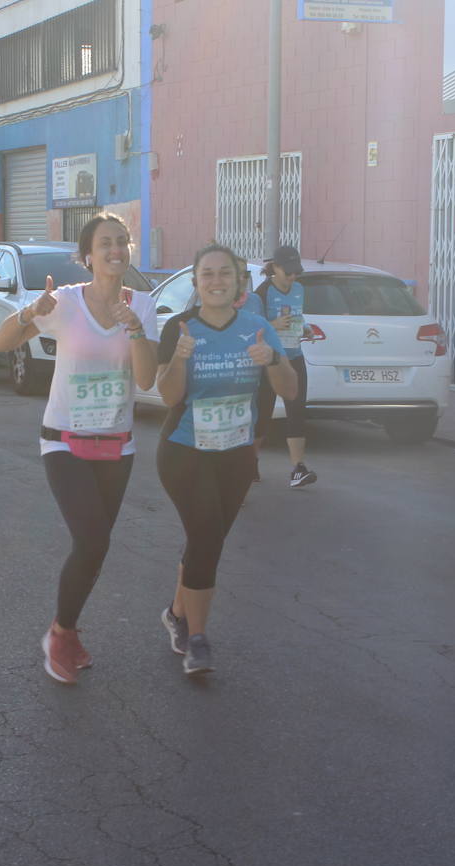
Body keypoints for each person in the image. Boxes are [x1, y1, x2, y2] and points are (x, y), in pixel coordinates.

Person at [0, 213, 160, 685]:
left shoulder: (141, 305)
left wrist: (136, 330)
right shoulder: (63, 302)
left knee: (97, 546)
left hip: (117, 445)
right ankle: (61, 633)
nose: (116, 250)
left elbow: (147, 379)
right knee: (91, 539)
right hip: (64, 440)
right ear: (88, 255)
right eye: (106, 243)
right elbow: (1, 342)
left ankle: (68, 630)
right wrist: (29, 311)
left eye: (123, 241)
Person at [155, 243, 297, 675]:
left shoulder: (257, 327)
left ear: (238, 282)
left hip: (236, 454)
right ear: (195, 283)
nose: (215, 281)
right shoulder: (179, 328)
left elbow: (290, 391)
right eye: (207, 274)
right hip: (184, 451)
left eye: (224, 274)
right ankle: (197, 639)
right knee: (206, 536)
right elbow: (168, 396)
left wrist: (271, 359)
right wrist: (179, 358)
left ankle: (177, 614)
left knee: (207, 537)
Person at [251, 245, 316, 488]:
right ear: (274, 268)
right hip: (270, 360)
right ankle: (251, 463)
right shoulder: (263, 292)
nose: (292, 277)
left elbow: (298, 315)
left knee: (297, 409)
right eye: (287, 271)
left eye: (295, 272)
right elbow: (254, 327)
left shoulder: (299, 289)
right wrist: (273, 325)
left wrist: (305, 327)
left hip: (294, 355)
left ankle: (298, 469)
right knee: (263, 412)